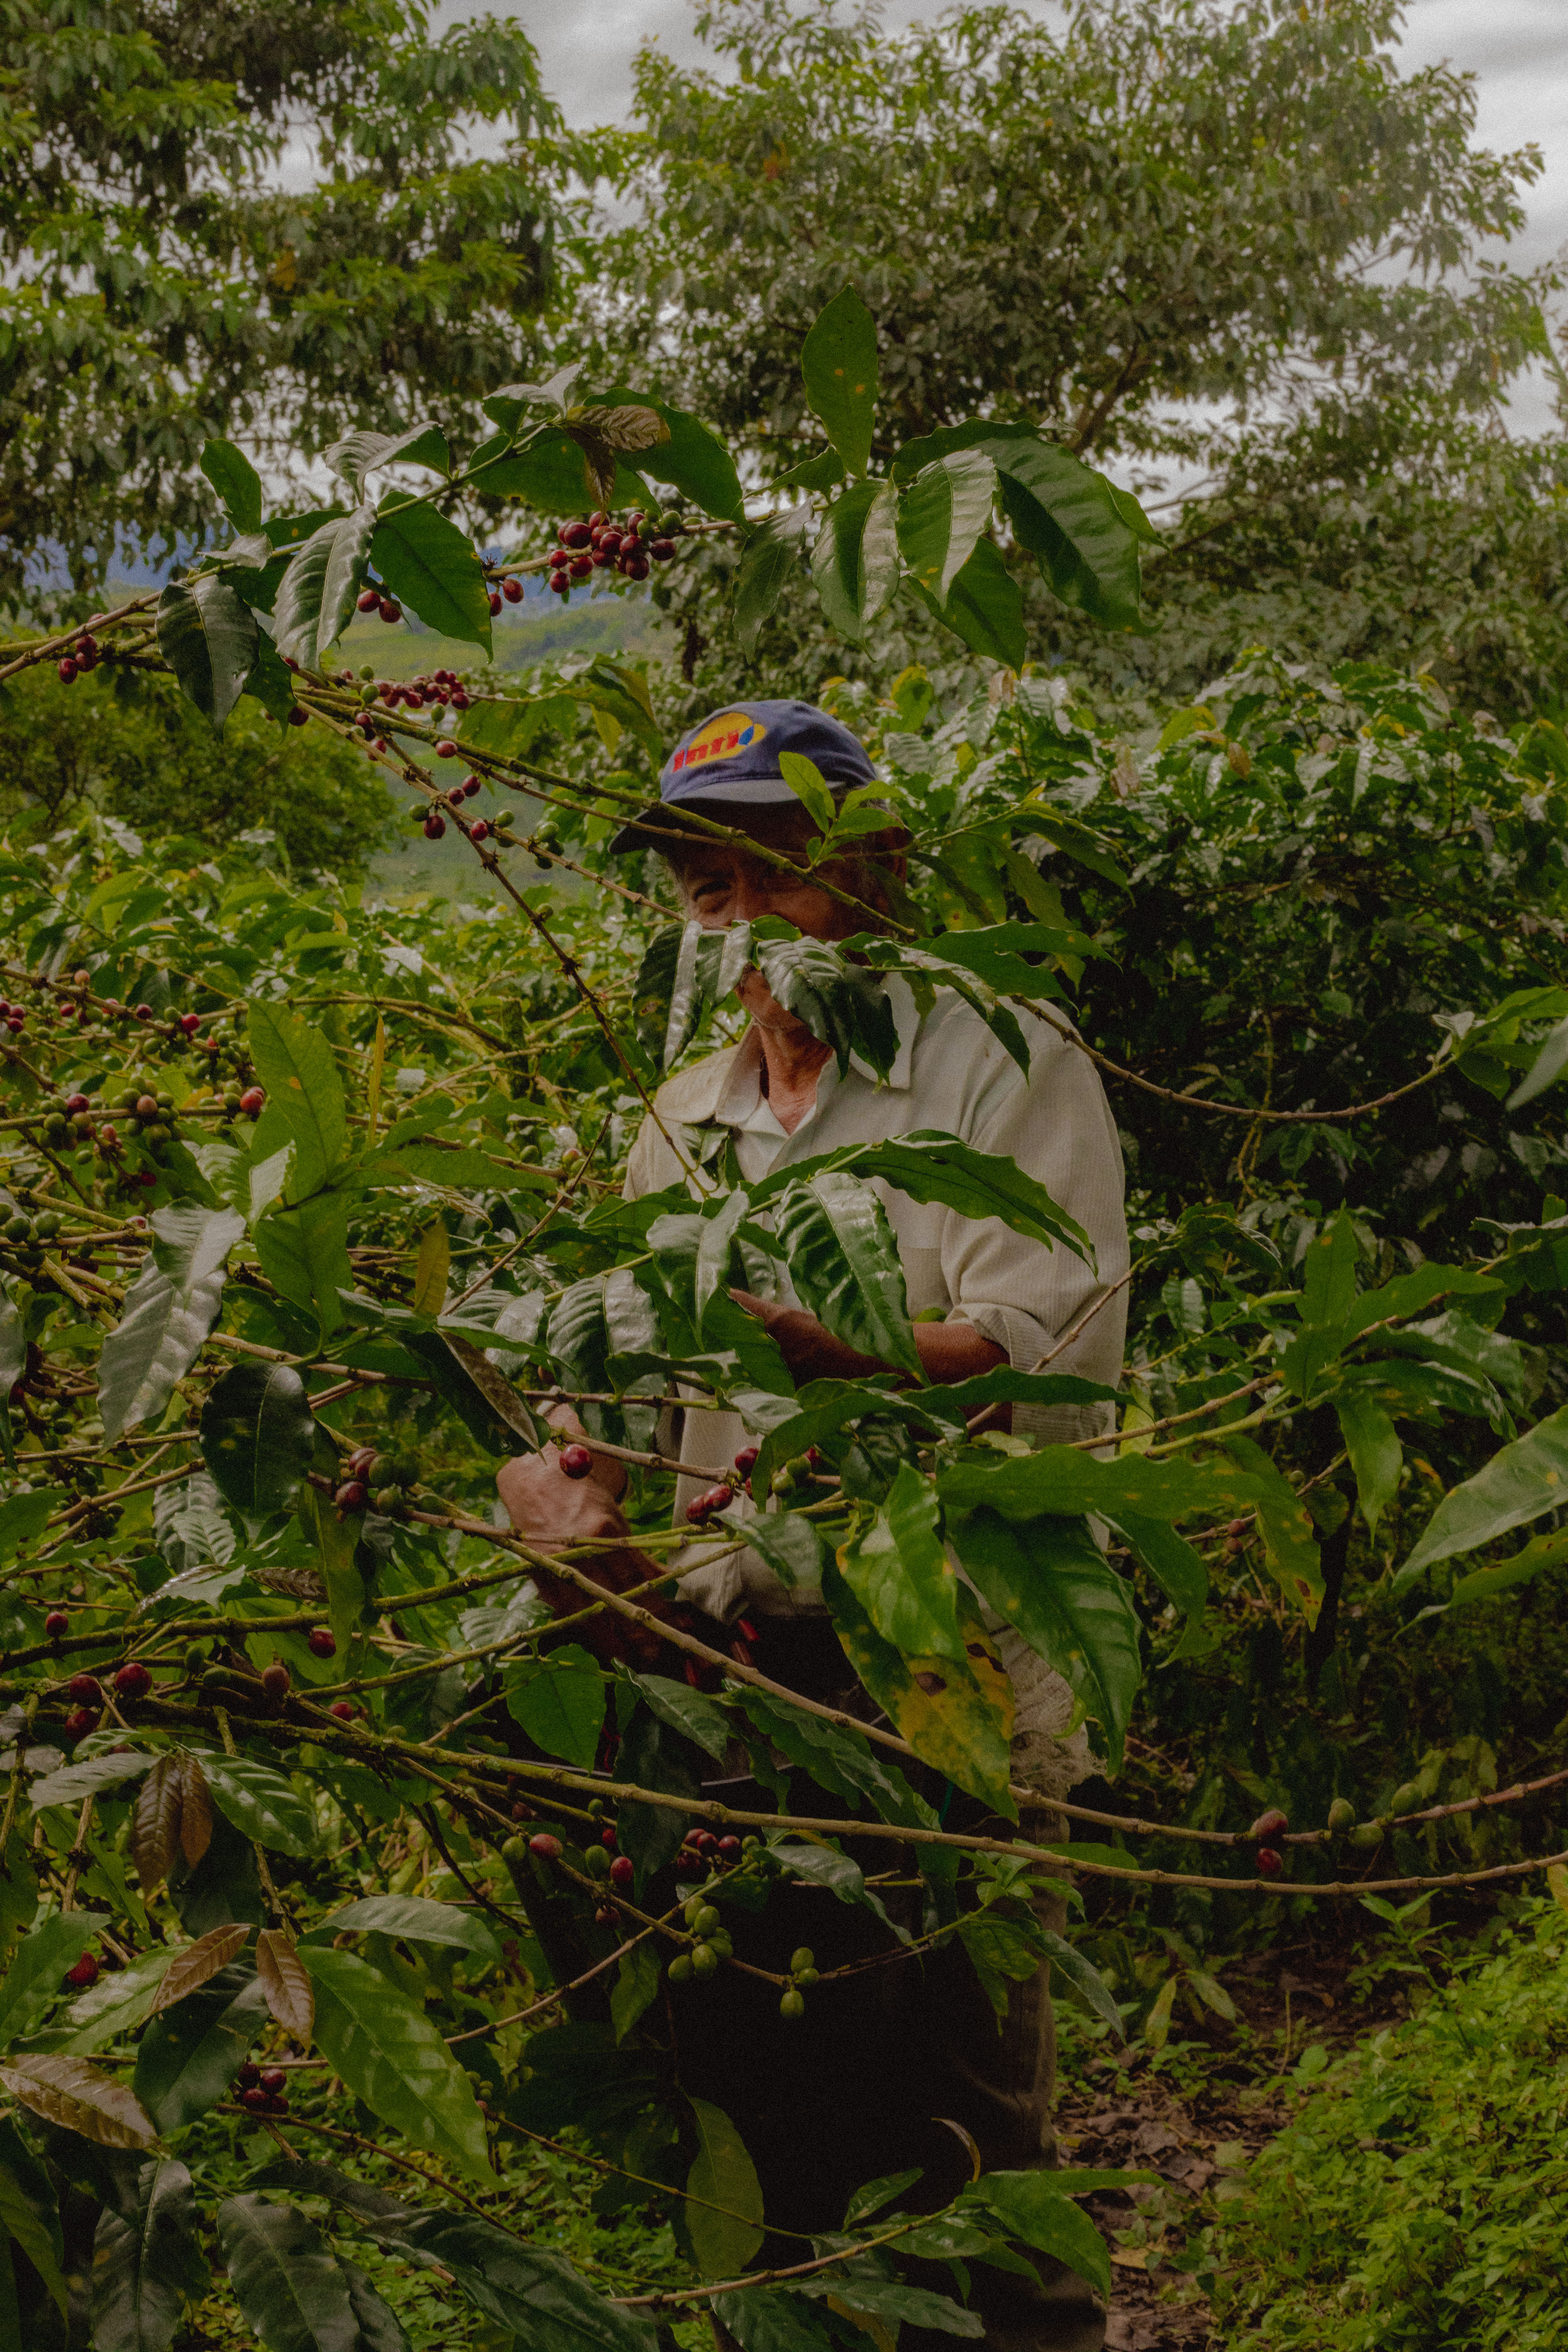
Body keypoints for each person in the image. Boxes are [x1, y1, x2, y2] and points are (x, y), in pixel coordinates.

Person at [499, 699, 1128, 2352]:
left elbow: (1044, 1355)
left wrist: (827, 1349)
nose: (742, 925)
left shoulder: (1000, 1062)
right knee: (768, 2105)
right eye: (707, 891)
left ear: (875, 867)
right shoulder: (680, 1119)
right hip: (737, 1679)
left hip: (948, 1660)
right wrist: (565, 1482)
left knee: (967, 2119)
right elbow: (616, 1395)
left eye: (772, 875)